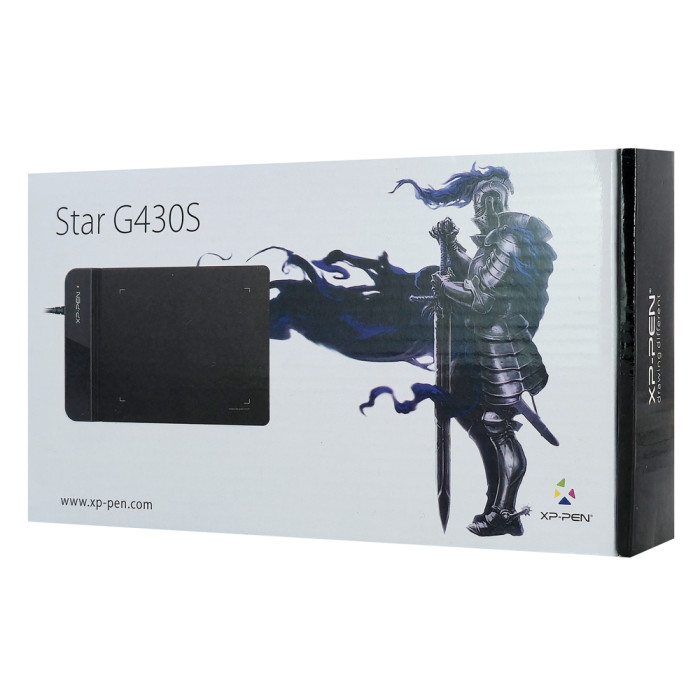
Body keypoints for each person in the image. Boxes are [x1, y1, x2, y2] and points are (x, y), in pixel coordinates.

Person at [424, 170, 557, 536]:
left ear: (498, 203)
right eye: (479, 202)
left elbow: (480, 298)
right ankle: (503, 510)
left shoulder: (508, 239)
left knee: (499, 429)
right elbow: (478, 275)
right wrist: (451, 246)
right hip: (493, 344)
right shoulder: (499, 239)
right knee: (497, 427)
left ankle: (505, 514)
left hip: (503, 349)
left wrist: (445, 285)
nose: (481, 210)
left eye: (487, 202)